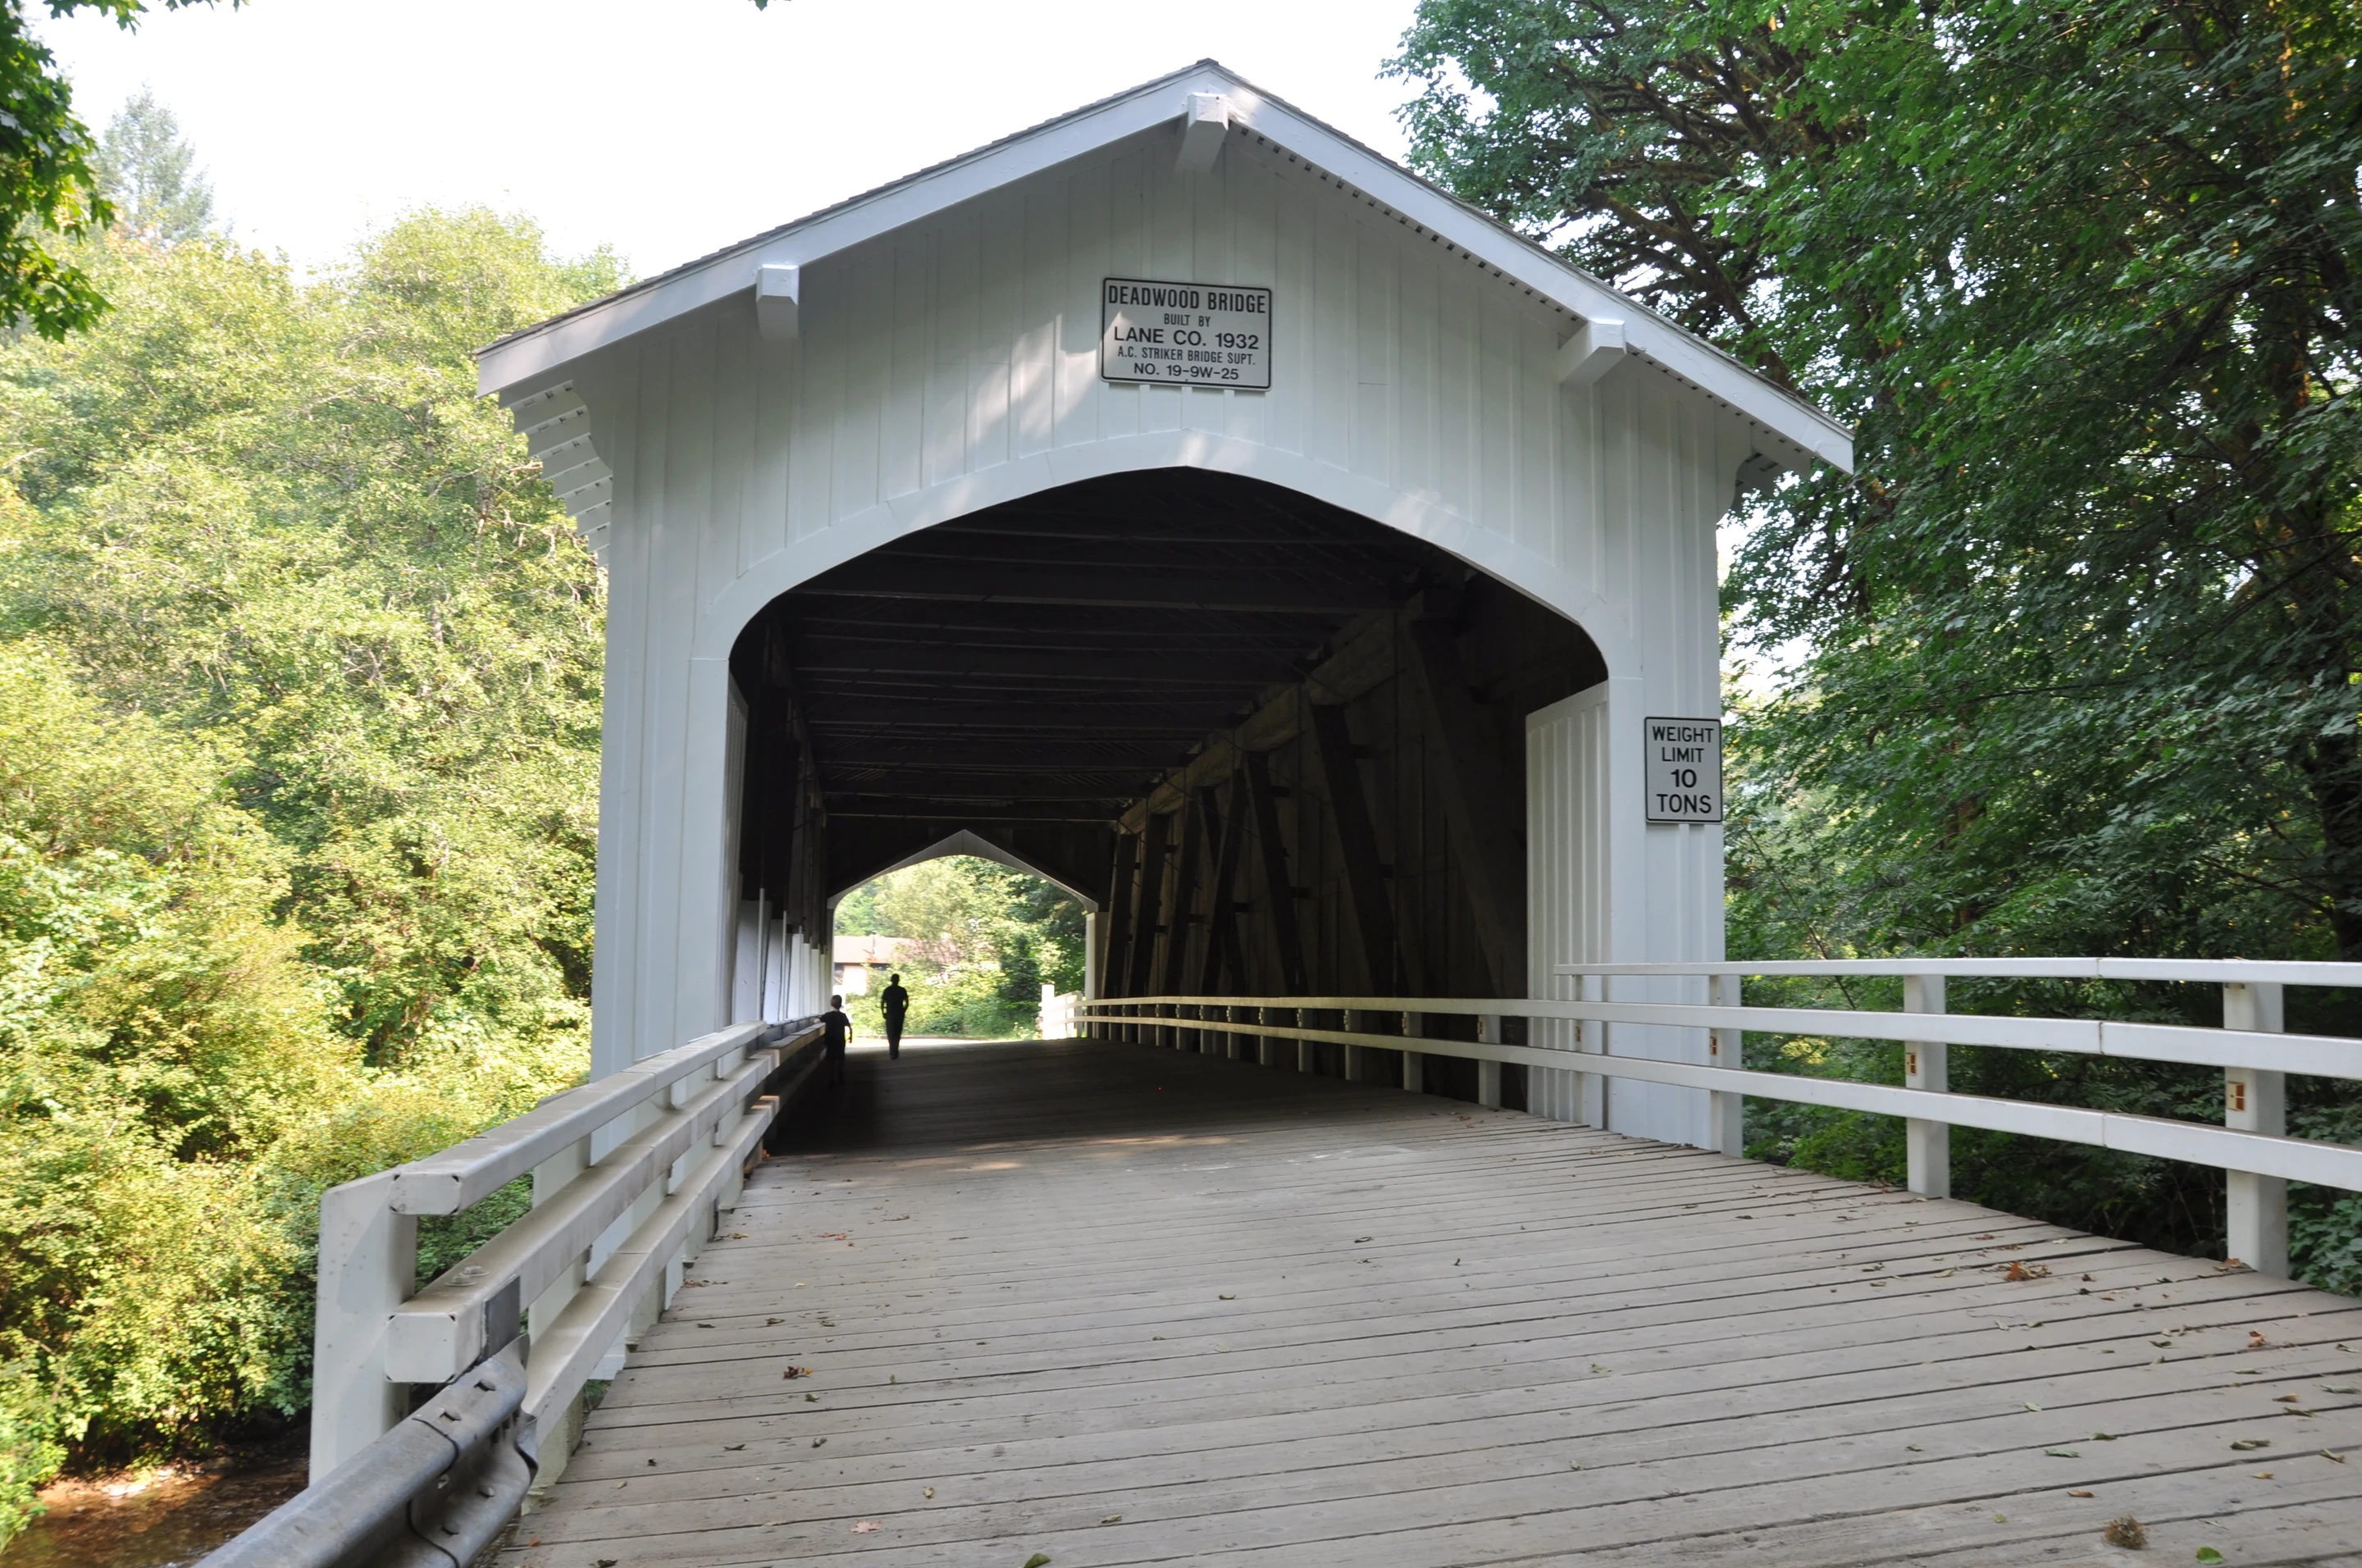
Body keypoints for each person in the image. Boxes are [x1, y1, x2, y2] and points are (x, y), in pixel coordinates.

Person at [821, 994, 851, 1086]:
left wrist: (815, 1020)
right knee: (841, 1058)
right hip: (840, 1040)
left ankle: (831, 1078)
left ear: (831, 1004)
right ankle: (840, 1074)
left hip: (830, 1040)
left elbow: (818, 1020)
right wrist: (851, 1037)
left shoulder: (827, 1015)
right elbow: (849, 1026)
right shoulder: (843, 1016)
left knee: (831, 1059)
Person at [880, 972, 910, 1060]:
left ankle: (892, 1051)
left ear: (891, 980)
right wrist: (903, 1011)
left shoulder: (887, 990)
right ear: (898, 980)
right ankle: (895, 1051)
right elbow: (907, 1002)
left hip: (890, 1015)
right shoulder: (902, 990)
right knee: (897, 1033)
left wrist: (883, 1012)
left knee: (890, 1034)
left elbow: (882, 1002)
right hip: (899, 1015)